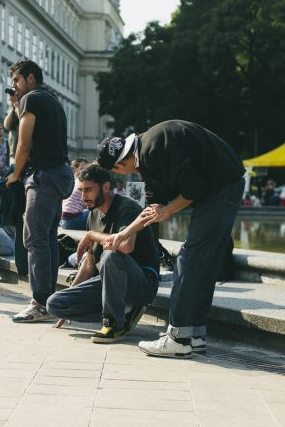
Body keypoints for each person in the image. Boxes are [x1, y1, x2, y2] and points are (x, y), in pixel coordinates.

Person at [98, 120, 245, 358]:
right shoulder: (145, 156)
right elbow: (151, 211)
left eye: (115, 172)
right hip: (222, 184)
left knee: (189, 259)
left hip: (222, 186)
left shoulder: (154, 148)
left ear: (120, 164)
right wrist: (124, 234)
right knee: (202, 264)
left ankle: (178, 337)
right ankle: (195, 335)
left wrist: (169, 209)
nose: (120, 176)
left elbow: (193, 189)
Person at [47, 164, 160, 342]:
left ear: (106, 187)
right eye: (82, 191)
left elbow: (125, 247)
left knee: (110, 254)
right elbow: (89, 265)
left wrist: (92, 234)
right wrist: (71, 301)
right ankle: (125, 311)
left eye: (89, 190)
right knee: (54, 304)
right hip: (110, 281)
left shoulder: (127, 208)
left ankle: (114, 323)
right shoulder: (92, 214)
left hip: (142, 283)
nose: (84, 197)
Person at [6, 59, 74, 322]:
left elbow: (23, 143)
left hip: (43, 175)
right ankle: (49, 300)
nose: (14, 86)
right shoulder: (53, 100)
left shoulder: (31, 99)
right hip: (60, 173)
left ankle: (40, 303)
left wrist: (14, 175)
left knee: (34, 238)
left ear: (31, 78)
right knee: (47, 237)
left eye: (17, 80)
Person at [60, 158, 89, 231]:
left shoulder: (73, 181)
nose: (86, 171)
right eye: (83, 168)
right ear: (75, 169)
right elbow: (88, 203)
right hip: (71, 221)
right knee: (97, 212)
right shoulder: (82, 182)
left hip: (63, 220)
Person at [3, 95, 20, 165]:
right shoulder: (12, 110)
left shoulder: (23, 106)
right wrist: (12, 108)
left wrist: (17, 106)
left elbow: (22, 119)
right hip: (13, 151)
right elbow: (6, 125)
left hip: (22, 150)